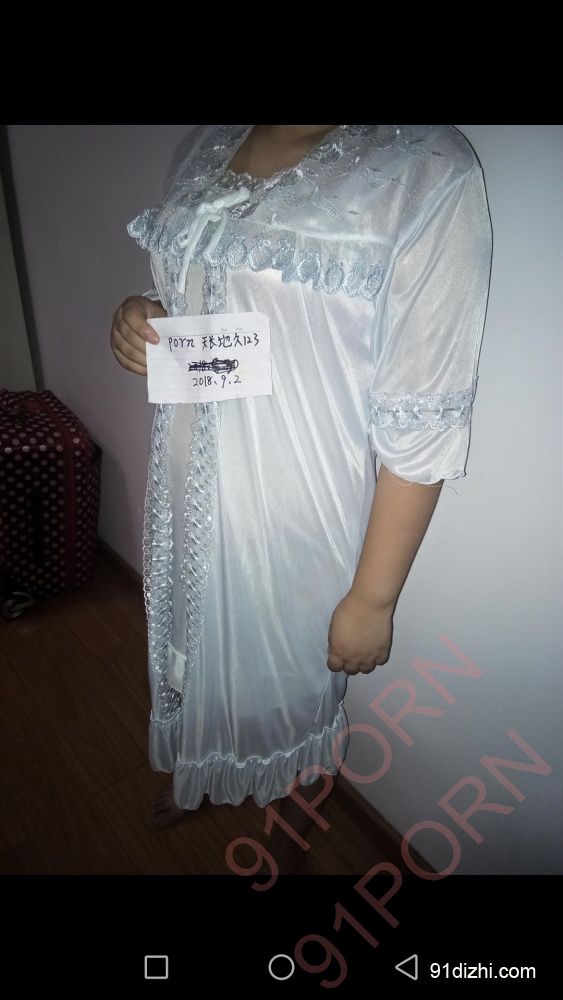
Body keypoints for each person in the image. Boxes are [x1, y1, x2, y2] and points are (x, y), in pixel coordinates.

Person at [110, 124, 492, 873]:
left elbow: (425, 414)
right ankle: (206, 771)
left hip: (297, 518)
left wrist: (373, 599)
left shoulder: (425, 168)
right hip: (187, 499)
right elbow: (221, 299)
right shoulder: (203, 145)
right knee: (197, 662)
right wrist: (142, 313)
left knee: (294, 695)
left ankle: (285, 841)